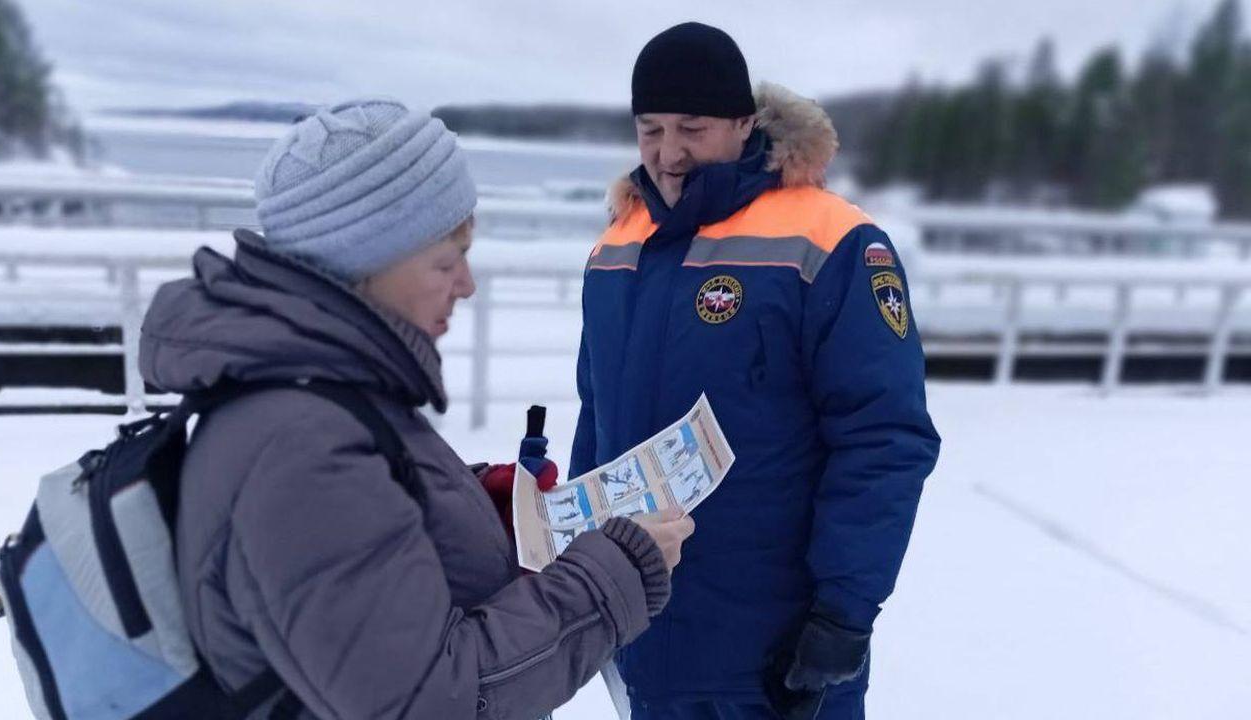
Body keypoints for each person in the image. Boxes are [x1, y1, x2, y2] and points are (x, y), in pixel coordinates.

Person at [138, 99, 695, 719]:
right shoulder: (299, 444)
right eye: (445, 259)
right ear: (367, 262)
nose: (467, 284)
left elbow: (373, 538)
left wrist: (480, 505)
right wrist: (614, 571)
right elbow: (430, 700)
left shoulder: (318, 392)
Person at [571, 23, 941, 720]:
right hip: (646, 638)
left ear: (745, 124)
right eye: (649, 129)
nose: (667, 153)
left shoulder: (831, 240)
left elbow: (885, 436)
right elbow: (597, 420)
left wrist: (842, 613)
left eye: (692, 127)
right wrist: (577, 559)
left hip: (777, 654)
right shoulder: (617, 246)